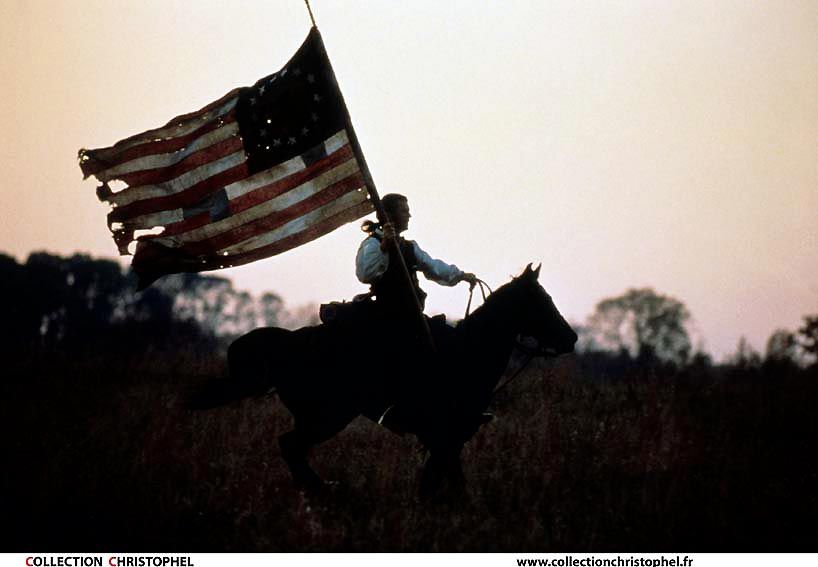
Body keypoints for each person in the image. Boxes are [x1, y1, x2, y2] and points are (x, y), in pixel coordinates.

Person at [355, 193, 478, 433]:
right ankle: (396, 409)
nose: (409, 214)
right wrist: (384, 247)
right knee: (405, 357)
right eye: (404, 210)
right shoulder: (372, 244)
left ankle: (450, 404)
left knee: (447, 342)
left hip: (412, 317)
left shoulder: (409, 247)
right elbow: (366, 274)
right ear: (389, 216)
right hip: (387, 318)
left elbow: (433, 267)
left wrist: (460, 275)